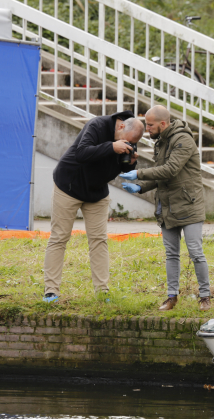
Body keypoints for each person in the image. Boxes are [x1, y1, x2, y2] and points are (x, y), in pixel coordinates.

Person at [43, 111, 145, 302]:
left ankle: (102, 291)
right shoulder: (97, 125)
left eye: (132, 143)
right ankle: (51, 290)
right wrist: (112, 147)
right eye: (127, 142)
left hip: (97, 192)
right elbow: (82, 153)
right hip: (69, 186)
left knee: (99, 241)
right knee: (59, 237)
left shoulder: (129, 135)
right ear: (121, 126)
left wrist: (131, 164)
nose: (129, 145)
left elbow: (121, 166)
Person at [118, 105, 211, 311]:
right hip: (167, 205)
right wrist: (140, 187)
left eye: (150, 125)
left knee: (195, 252)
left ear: (163, 123)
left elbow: (170, 170)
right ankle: (171, 297)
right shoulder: (160, 141)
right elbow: (161, 175)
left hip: (188, 204)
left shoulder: (183, 140)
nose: (146, 128)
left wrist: (139, 174)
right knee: (171, 254)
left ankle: (205, 296)